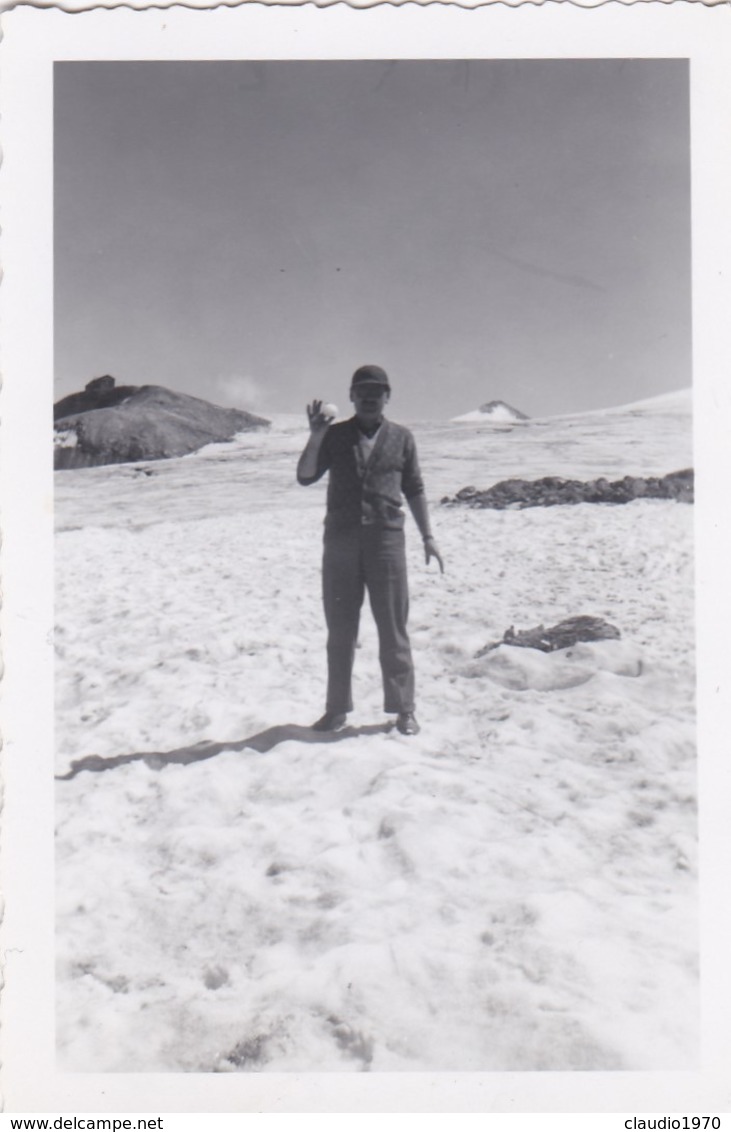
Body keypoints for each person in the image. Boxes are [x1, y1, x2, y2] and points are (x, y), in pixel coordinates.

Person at [297, 364, 444, 736]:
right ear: (350, 395)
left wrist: (428, 536)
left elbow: (415, 488)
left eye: (376, 391)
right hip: (342, 543)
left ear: (387, 397)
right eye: (361, 390)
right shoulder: (334, 435)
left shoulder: (403, 438)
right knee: (340, 629)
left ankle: (404, 708)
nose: (368, 397)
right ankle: (336, 710)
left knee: (393, 629)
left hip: (386, 541)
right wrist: (315, 436)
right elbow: (304, 476)